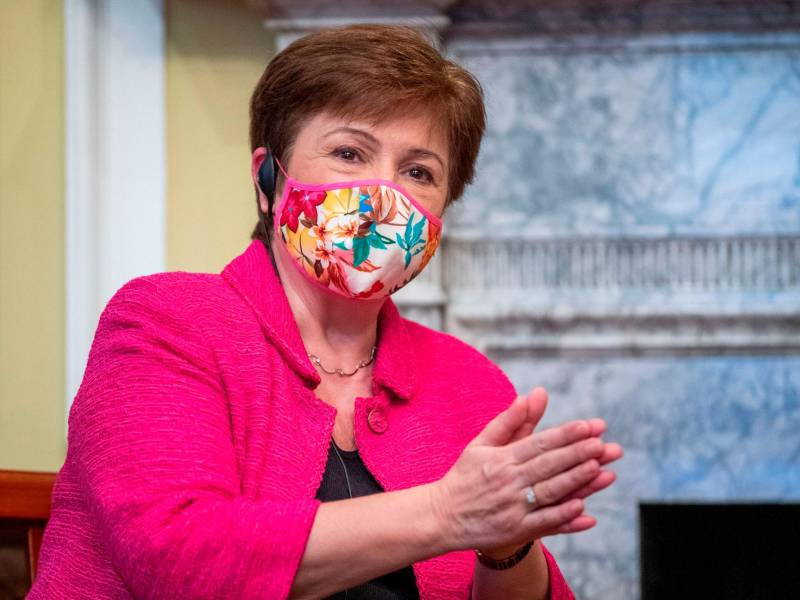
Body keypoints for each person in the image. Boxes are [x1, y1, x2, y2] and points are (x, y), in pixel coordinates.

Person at [29, 25, 622, 599]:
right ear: (268, 179)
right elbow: (178, 559)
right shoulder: (166, 321)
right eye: (349, 153)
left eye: (419, 172)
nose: (383, 195)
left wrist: (506, 547)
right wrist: (449, 513)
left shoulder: (467, 382)